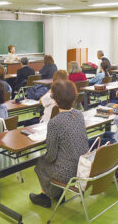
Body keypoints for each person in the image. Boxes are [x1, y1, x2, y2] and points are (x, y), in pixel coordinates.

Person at [30, 80, 89, 208]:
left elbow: (51, 155)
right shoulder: (79, 115)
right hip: (82, 166)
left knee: (41, 163)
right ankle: (57, 194)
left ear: (55, 100)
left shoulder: (55, 122)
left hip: (67, 173)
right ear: (74, 98)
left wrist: (44, 159)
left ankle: (46, 196)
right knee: (54, 161)